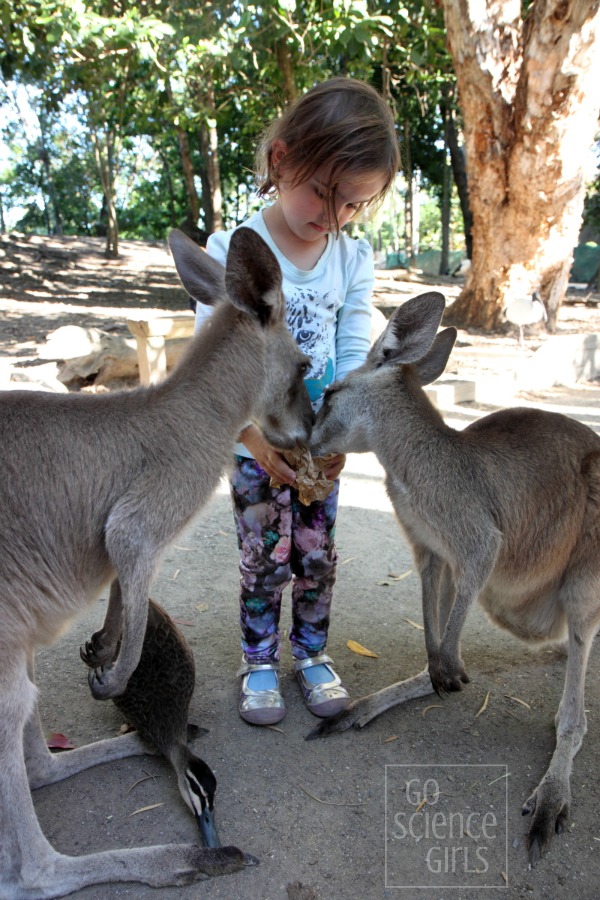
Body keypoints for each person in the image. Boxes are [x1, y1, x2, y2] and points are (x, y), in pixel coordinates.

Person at [196, 77, 400, 725]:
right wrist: (254, 439)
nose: (333, 216)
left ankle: (311, 653)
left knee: (317, 554)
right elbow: (217, 362)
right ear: (282, 159)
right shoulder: (234, 251)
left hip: (316, 446)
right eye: (324, 193)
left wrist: (338, 431)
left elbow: (354, 342)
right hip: (255, 444)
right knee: (263, 556)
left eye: (354, 206)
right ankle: (259, 659)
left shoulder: (351, 257)